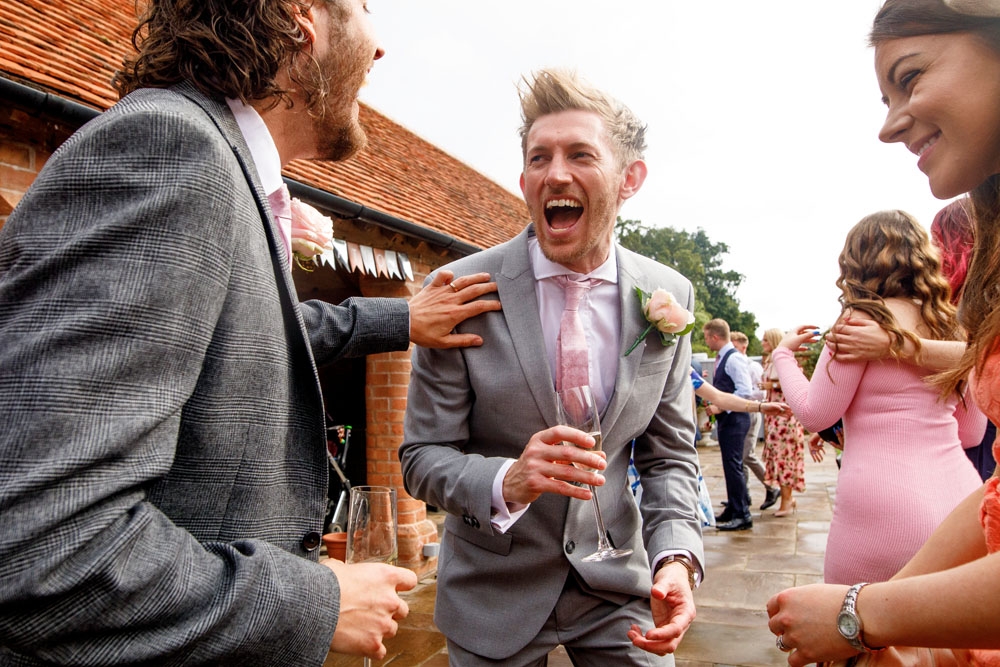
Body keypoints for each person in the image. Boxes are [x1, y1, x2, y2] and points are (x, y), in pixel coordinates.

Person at [0, 1, 503, 664]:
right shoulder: (172, 150)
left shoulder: (216, 162)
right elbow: (45, 547)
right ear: (302, 17)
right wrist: (313, 600)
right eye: (362, 8)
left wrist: (402, 317)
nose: (378, 47)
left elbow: (248, 330)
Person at [400, 68, 704, 665]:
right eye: (539, 158)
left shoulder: (668, 293)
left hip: (617, 589)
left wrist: (675, 558)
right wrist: (506, 481)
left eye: (580, 154)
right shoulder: (460, 289)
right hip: (492, 589)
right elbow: (421, 458)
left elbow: (670, 457)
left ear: (629, 180)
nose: (555, 173)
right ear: (524, 179)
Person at [772, 211, 985, 586]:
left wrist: (783, 358)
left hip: (880, 509)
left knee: (850, 630)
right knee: (935, 641)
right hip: (958, 504)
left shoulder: (860, 321)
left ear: (855, 263)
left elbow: (815, 414)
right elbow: (970, 434)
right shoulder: (949, 325)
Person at [829, 198, 997, 482]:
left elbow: (978, 356)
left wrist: (896, 345)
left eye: (937, 240)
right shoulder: (940, 309)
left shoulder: (974, 307)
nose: (932, 251)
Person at [703, 318, 756, 531]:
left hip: (736, 418)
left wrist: (720, 407)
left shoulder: (733, 359)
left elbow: (745, 391)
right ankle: (734, 508)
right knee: (729, 465)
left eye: (707, 337)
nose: (706, 342)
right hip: (729, 420)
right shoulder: (723, 357)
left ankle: (743, 513)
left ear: (715, 336)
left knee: (734, 465)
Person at [759, 328, 807, 518]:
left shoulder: (784, 361)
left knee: (784, 459)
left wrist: (773, 385)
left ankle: (787, 500)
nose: (762, 343)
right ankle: (786, 498)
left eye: (764, 339)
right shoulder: (770, 360)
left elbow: (795, 385)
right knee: (777, 459)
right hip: (774, 418)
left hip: (784, 420)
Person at [731, 331, 781, 511]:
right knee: (740, 458)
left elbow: (762, 393)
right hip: (742, 411)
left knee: (747, 455)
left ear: (743, 347)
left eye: (734, 347)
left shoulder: (752, 366)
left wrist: (737, 398)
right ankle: (743, 496)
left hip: (752, 410)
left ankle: (772, 487)